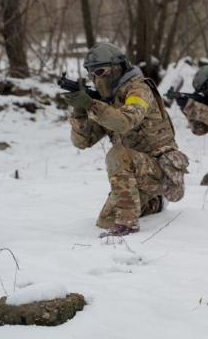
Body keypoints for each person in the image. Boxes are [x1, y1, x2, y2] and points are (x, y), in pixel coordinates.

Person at [62, 43, 189, 237]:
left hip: (164, 172)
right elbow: (83, 141)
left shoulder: (139, 89)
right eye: (91, 74)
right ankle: (154, 203)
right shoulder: (108, 101)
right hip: (134, 174)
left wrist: (91, 104)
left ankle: (127, 224)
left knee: (117, 154)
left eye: (100, 71)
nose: (96, 79)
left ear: (118, 68)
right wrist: (79, 110)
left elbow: (124, 122)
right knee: (105, 220)